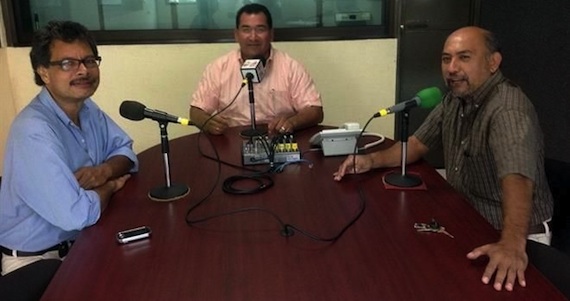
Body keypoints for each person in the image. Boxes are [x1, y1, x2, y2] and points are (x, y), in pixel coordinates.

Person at [334, 26, 553, 292]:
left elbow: (517, 177)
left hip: (517, 236)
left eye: (464, 57)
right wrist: (370, 161)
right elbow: (416, 144)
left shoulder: (507, 109)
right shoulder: (454, 100)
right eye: (446, 58)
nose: (452, 68)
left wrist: (512, 244)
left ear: (493, 62)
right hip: (471, 219)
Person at [0, 21, 138, 275]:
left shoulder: (87, 110)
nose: (83, 70)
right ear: (43, 72)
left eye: (90, 60)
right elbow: (77, 215)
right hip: (37, 263)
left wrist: (105, 171)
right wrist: (110, 186)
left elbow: (126, 152)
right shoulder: (33, 130)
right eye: (67, 64)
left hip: (83, 242)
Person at [190, 3, 323, 135]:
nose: (253, 37)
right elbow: (196, 111)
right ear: (236, 34)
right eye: (246, 29)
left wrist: (292, 122)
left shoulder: (291, 67)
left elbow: (315, 111)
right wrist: (207, 122)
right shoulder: (218, 68)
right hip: (233, 142)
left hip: (277, 139)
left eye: (260, 29)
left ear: (271, 34)